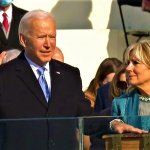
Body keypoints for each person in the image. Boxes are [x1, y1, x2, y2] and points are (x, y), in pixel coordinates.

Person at [0, 9, 147, 150]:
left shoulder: (68, 75)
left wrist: (113, 123)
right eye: (41, 37)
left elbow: (84, 116)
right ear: (23, 40)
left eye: (52, 37)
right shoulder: (5, 77)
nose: (48, 44)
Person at [112, 39, 150, 132]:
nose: (128, 68)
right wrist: (114, 124)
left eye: (135, 62)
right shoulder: (120, 103)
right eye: (127, 63)